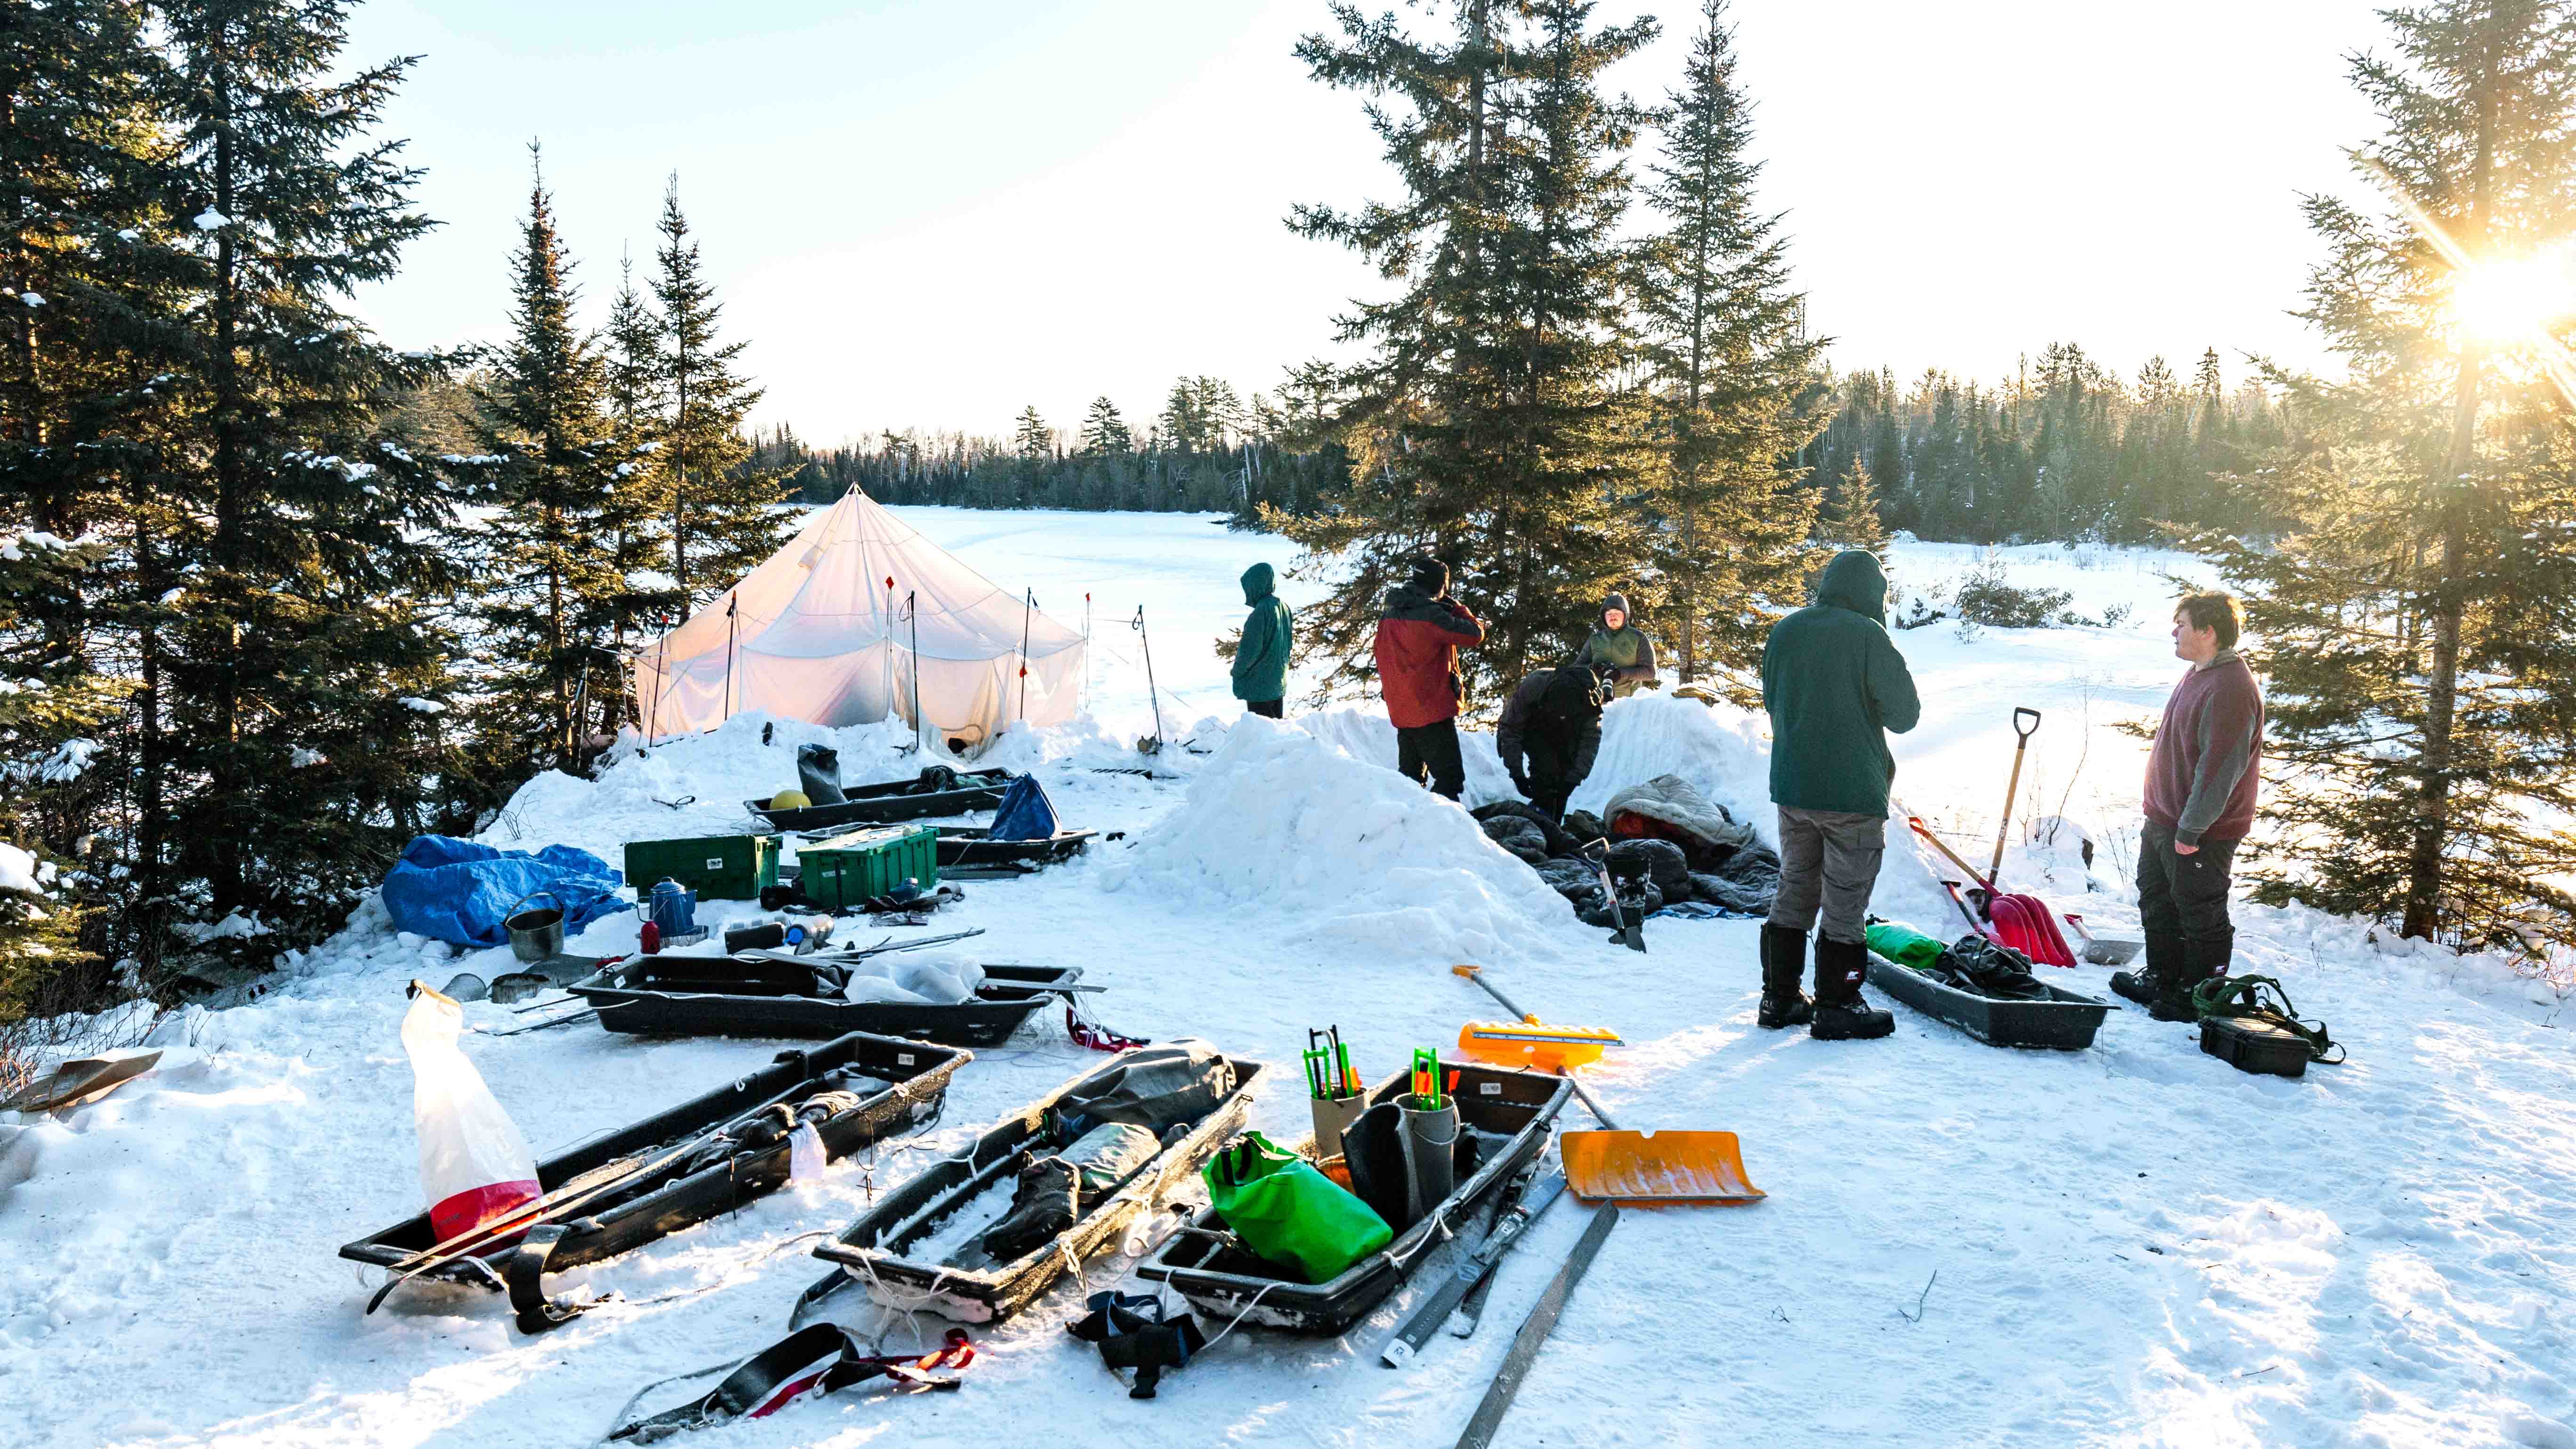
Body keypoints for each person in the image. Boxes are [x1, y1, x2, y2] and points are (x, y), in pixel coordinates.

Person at [1758, 549, 1920, 1041]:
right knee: (1845, 901)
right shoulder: (1869, 636)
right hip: (1851, 792)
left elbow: (1772, 698)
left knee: (1795, 887)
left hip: (1794, 786)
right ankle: (1838, 1004)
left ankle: (1779, 998)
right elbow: (1904, 715)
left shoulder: (1785, 631)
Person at [2113, 593, 2264, 1022]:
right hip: (2164, 818)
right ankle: (2164, 979)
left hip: (2199, 831)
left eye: (2181, 623)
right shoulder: (2199, 675)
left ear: (2208, 631)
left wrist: (2192, 829)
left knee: (2200, 913)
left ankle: (2199, 993)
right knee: (2158, 902)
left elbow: (2221, 770)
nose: (2174, 631)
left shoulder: (2232, 688)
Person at [1372, 555, 1485, 799]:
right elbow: (1474, 634)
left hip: (1402, 708)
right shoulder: (1432, 615)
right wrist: (1457, 608)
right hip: (1430, 710)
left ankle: (1408, 828)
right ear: (1438, 585)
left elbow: (1379, 652)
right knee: (1450, 781)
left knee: (1409, 780)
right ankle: (1442, 832)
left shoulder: (1390, 613)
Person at [1496, 663, 1609, 825]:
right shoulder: (1532, 688)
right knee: (1545, 772)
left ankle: (1553, 828)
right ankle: (1540, 822)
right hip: (1534, 727)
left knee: (1562, 782)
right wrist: (1517, 774)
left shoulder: (1589, 701)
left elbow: (1590, 743)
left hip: (1568, 734)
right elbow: (1511, 730)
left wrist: (1573, 779)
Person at [1231, 562, 1294, 720]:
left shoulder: (1260, 613)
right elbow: (1288, 644)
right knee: (1276, 731)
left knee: (1263, 735)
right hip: (1277, 682)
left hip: (1259, 686)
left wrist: (1237, 672)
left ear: (1256, 585)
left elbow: (1250, 650)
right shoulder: (1284, 607)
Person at [1578, 594, 1659, 698]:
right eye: (1609, 613)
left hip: (1629, 703)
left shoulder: (1639, 638)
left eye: (1617, 613)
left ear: (1626, 615)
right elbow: (1576, 667)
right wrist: (1592, 668)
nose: (1613, 617)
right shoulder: (1595, 639)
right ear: (1604, 616)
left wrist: (1621, 674)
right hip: (1596, 701)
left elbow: (1650, 672)